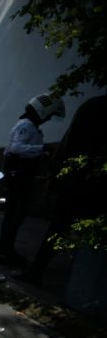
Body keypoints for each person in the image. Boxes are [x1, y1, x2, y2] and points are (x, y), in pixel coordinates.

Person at [20, 94, 107, 283]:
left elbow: (67, 145)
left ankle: (39, 270)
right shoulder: (95, 107)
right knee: (62, 227)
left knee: (60, 227)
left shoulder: (93, 106)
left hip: (77, 179)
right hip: (84, 180)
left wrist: (54, 173)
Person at [0, 93, 65, 267]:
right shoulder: (26, 125)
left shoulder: (31, 126)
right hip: (18, 175)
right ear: (42, 111)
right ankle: (5, 253)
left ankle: (7, 251)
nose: (48, 118)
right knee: (14, 214)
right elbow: (16, 147)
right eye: (49, 115)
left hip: (21, 175)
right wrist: (42, 149)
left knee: (16, 215)